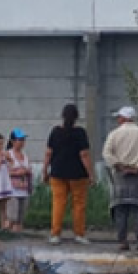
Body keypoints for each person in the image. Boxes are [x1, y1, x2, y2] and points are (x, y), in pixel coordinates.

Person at [102, 106, 138, 251]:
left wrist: (118, 165)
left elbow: (107, 153)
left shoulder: (114, 134)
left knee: (120, 209)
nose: (118, 120)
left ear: (124, 118)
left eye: (119, 117)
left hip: (120, 175)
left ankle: (122, 241)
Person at [42, 104, 95, 245]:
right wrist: (91, 174)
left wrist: (44, 170)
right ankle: (79, 234)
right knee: (78, 204)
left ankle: (55, 234)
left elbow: (48, 153)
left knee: (58, 203)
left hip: (58, 172)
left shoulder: (55, 132)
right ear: (76, 117)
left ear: (63, 116)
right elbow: (84, 154)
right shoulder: (80, 133)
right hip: (78, 174)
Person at [5, 129, 33, 232]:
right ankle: (6, 233)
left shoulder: (25, 155)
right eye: (19, 140)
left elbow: (29, 168)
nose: (22, 142)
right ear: (12, 141)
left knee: (20, 218)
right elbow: (4, 172)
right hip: (12, 190)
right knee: (12, 216)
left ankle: (18, 235)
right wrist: (17, 173)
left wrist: (27, 171)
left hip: (24, 189)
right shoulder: (8, 154)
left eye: (23, 140)